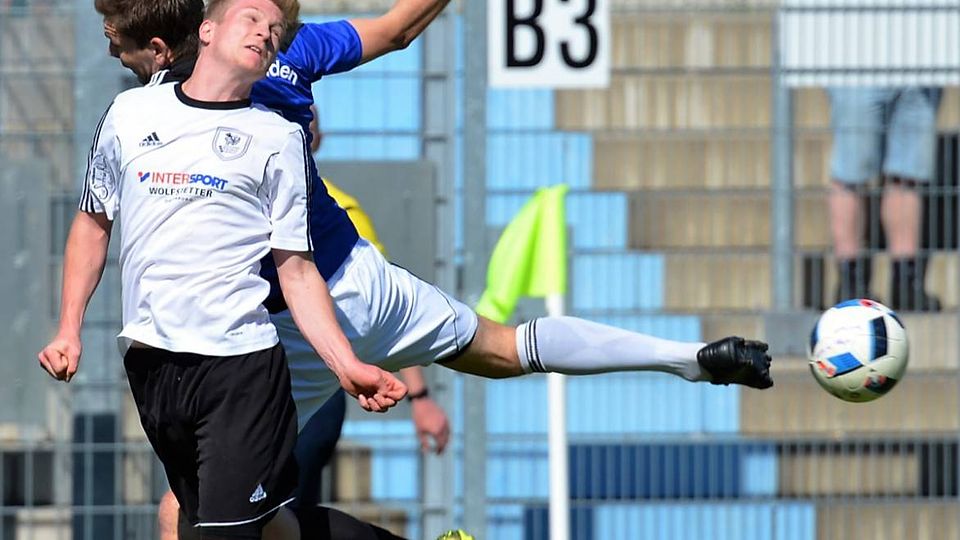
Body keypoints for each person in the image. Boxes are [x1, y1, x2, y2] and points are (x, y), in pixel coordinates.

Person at [100, 0, 774, 536]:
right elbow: (398, 28)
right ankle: (686, 358)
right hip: (361, 278)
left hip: (287, 325)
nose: (111, 52)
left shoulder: (172, 93)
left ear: (161, 47)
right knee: (507, 347)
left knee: (185, 514)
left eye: (116, 41)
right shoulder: (290, 48)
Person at [38, 1, 407, 539]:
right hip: (152, 368)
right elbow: (93, 223)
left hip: (240, 370)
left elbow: (297, 272)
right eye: (251, 19)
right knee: (254, 526)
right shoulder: (129, 114)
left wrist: (345, 363)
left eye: (275, 30)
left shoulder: (278, 138)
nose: (265, 33)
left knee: (225, 532)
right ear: (206, 30)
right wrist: (68, 327)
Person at [827, 86, 943, 311]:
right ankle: (850, 282)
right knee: (849, 177)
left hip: (917, 77)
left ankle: (905, 283)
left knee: (907, 177)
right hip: (857, 74)